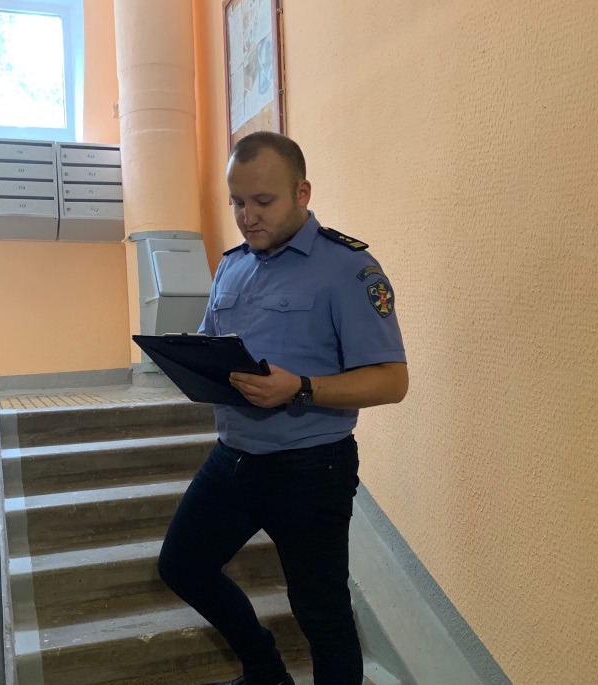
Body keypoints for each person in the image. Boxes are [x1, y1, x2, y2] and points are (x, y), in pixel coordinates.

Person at [158, 132, 408, 685]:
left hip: (310, 467)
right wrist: (190, 362)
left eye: (262, 201)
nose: (247, 217)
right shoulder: (232, 266)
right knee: (182, 565)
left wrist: (300, 389)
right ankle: (266, 672)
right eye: (237, 202)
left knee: (322, 614)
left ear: (302, 193)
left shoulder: (349, 269)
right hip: (234, 457)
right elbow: (214, 344)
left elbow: (393, 381)